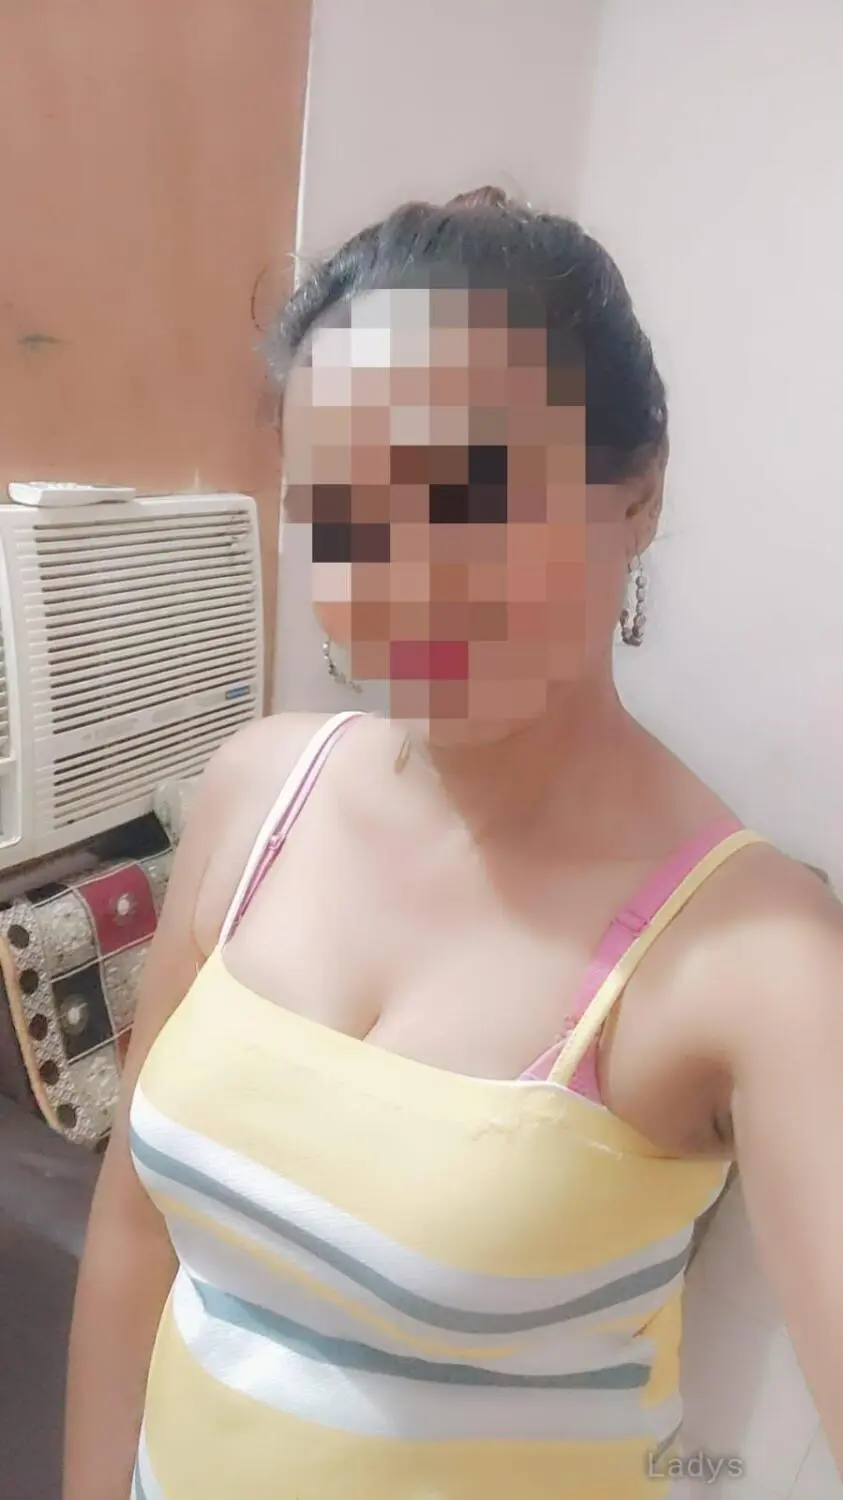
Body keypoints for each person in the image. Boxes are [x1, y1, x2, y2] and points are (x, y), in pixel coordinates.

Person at [64, 188, 843, 1500]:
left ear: (636, 492)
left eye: (472, 489)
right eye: (341, 508)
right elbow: (140, 1229)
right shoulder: (256, 794)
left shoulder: (756, 954)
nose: (403, 573)